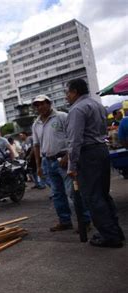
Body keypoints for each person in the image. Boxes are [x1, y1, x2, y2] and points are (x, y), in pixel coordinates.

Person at [65, 79, 125, 248]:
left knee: (93, 197)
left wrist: (72, 165)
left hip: (88, 154)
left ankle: (110, 236)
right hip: (101, 150)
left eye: (67, 93)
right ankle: (115, 231)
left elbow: (75, 140)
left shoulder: (77, 109)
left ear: (75, 92)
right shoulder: (96, 105)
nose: (66, 97)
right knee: (103, 194)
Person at [31, 94, 91, 232]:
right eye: (37, 105)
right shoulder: (36, 124)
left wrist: (68, 155)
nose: (40, 107)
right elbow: (36, 145)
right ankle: (65, 221)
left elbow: (73, 137)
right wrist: (38, 165)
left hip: (64, 159)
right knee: (57, 193)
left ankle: (85, 221)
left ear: (49, 103)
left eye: (42, 104)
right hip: (48, 160)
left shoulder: (62, 116)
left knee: (73, 192)